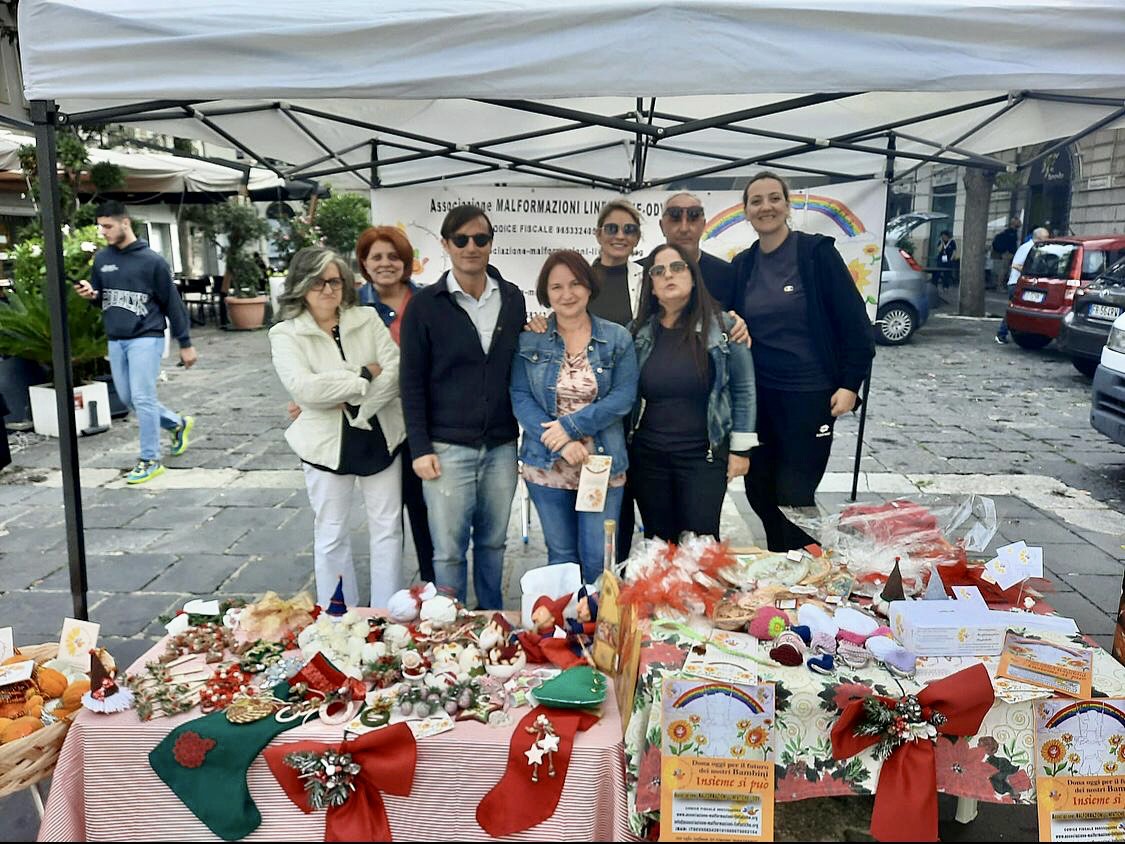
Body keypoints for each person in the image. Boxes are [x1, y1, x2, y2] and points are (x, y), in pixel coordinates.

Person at [731, 171, 875, 552]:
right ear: (746, 211)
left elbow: (856, 324)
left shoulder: (815, 254)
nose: (766, 207)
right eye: (757, 201)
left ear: (787, 205)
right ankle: (785, 562)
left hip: (808, 398)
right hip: (760, 398)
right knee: (759, 492)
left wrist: (850, 385)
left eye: (774, 198)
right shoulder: (744, 264)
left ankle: (799, 571)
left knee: (794, 496)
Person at [399, 204, 527, 609]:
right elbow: (411, 381)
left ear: (491, 244)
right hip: (446, 447)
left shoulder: (511, 298)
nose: (471, 247)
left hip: (502, 445)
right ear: (445, 245)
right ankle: (448, 625)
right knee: (448, 551)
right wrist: (420, 448)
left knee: (493, 543)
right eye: (461, 239)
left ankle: (490, 618)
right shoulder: (424, 305)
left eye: (481, 239)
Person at [270, 247, 405, 609]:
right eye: (317, 281)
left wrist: (354, 397)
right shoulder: (285, 334)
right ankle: (339, 615)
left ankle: (386, 612)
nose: (327, 289)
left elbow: (393, 373)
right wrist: (362, 375)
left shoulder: (367, 318)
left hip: (380, 433)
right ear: (300, 285)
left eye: (334, 280)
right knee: (331, 532)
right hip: (325, 444)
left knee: (388, 529)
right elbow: (305, 389)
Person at [510, 250, 639, 583]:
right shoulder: (531, 338)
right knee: (562, 559)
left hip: (600, 464)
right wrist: (561, 445)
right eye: (556, 287)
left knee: (598, 558)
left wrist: (570, 427)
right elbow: (521, 397)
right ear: (545, 293)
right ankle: (565, 633)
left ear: (589, 287)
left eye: (575, 284)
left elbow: (623, 397)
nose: (567, 294)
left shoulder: (617, 338)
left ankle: (599, 631)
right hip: (547, 464)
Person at [627, 244, 756, 542]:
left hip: (703, 458)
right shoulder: (637, 333)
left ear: (694, 277)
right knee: (659, 546)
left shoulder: (726, 327)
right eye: (658, 271)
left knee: (701, 546)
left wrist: (741, 450)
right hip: (649, 458)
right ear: (652, 286)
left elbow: (744, 389)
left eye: (676, 267)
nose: (668, 275)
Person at [74, 200, 196, 484]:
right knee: (130, 399)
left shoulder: (152, 261)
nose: (102, 231)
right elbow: (102, 299)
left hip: (146, 335)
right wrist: (92, 295)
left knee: (142, 397)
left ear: (124, 223)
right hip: (116, 339)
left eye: (107, 226)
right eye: (100, 226)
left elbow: (173, 304)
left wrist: (186, 342)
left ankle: (150, 459)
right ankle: (178, 424)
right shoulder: (102, 259)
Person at [354, 225, 434, 582]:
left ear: (407, 263)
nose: (386, 263)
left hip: (425, 420)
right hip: (378, 423)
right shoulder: (353, 308)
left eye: (394, 256)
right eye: (377, 257)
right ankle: (389, 596)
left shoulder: (430, 303)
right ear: (364, 264)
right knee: (385, 516)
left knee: (426, 512)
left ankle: (435, 590)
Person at [996, 227, 1049, 345]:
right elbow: (1015, 265)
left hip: (1025, 284)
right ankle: (1001, 333)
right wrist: (1029, 271)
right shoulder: (1026, 248)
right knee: (1013, 310)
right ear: (1039, 237)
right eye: (1046, 237)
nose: (1048, 239)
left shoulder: (1037, 248)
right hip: (1016, 283)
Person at [991, 217, 1021, 292]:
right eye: (1018, 222)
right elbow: (1010, 244)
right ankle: (1000, 286)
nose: (1019, 224)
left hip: (1008, 253)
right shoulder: (1011, 233)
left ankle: (1001, 285)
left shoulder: (1010, 232)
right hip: (1008, 253)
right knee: (1004, 270)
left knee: (1005, 270)